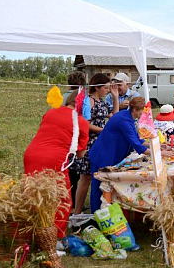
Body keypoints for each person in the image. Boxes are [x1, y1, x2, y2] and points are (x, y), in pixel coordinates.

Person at [89, 97, 174, 212]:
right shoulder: (123, 120)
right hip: (103, 156)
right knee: (98, 187)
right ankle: (96, 214)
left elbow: (138, 140)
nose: (143, 114)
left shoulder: (128, 117)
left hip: (110, 155)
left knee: (104, 186)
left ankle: (105, 212)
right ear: (134, 109)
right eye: (141, 111)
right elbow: (138, 146)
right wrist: (160, 153)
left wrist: (158, 146)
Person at [24, 91, 89, 238]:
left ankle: (28, 233)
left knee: (32, 195)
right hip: (55, 160)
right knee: (62, 200)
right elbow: (80, 154)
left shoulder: (51, 112)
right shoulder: (81, 122)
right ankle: (55, 239)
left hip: (31, 155)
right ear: (83, 106)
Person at [74, 73, 118, 214]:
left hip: (99, 143)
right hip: (89, 143)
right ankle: (77, 212)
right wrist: (102, 130)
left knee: (97, 177)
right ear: (97, 87)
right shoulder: (90, 101)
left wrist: (116, 97)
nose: (107, 90)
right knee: (85, 179)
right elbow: (85, 124)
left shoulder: (102, 102)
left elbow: (114, 117)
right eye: (105, 87)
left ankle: (94, 208)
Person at [62, 70, 86, 205]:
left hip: (63, 137)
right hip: (74, 136)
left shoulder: (62, 97)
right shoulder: (80, 98)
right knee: (74, 172)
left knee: (68, 171)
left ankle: (67, 200)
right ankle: (71, 202)